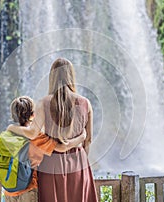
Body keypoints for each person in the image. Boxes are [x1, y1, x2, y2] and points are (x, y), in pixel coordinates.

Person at [8, 58, 98, 202]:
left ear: (52, 77)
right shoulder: (85, 103)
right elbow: (89, 139)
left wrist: (13, 128)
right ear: (71, 76)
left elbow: (32, 133)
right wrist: (81, 160)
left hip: (52, 162)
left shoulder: (44, 102)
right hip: (79, 161)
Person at [4, 96, 86, 202]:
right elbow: (62, 148)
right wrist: (82, 137)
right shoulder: (37, 137)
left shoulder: (8, 133)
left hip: (9, 189)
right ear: (33, 115)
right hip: (28, 188)